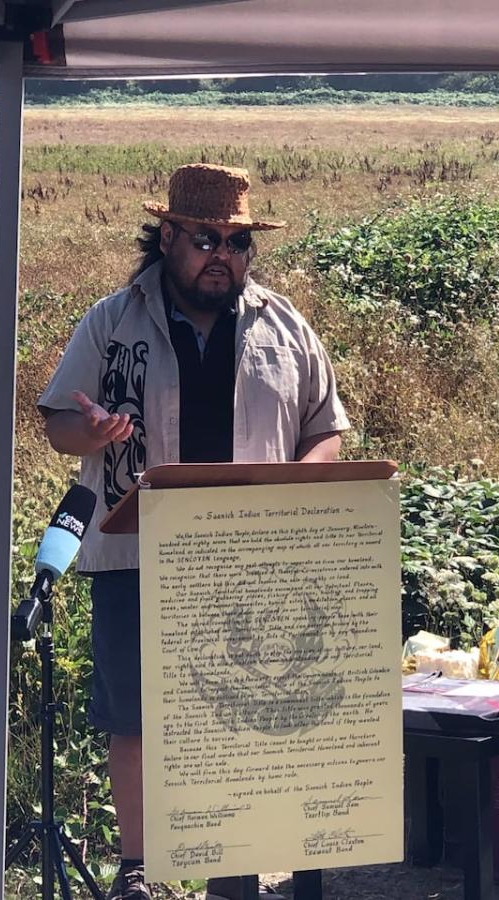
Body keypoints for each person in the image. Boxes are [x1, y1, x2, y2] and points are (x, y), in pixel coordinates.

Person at [37, 163, 350, 900]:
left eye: (241, 244)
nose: (226, 258)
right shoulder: (111, 322)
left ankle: (236, 860)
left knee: (250, 712)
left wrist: (304, 483)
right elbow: (57, 425)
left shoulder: (286, 325)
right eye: (209, 239)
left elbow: (326, 429)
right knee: (136, 717)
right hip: (135, 550)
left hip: (253, 560)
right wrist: (90, 432)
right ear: (168, 235)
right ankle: (139, 868)